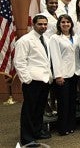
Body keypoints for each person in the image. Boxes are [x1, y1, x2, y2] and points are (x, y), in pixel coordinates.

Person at [15, 15, 52, 146]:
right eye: (40, 24)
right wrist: (27, 80)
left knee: (39, 109)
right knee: (29, 111)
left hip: (44, 79)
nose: (43, 26)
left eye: (45, 24)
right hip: (32, 81)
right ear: (33, 24)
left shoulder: (46, 39)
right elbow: (19, 62)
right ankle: (27, 138)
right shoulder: (25, 40)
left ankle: (37, 132)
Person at [48, 15, 78, 135]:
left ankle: (71, 125)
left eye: (68, 22)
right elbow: (55, 58)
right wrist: (58, 75)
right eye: (63, 22)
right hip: (63, 75)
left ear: (71, 24)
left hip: (74, 73)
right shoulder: (55, 38)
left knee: (72, 101)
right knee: (63, 102)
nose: (66, 24)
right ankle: (63, 127)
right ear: (59, 24)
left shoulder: (75, 37)